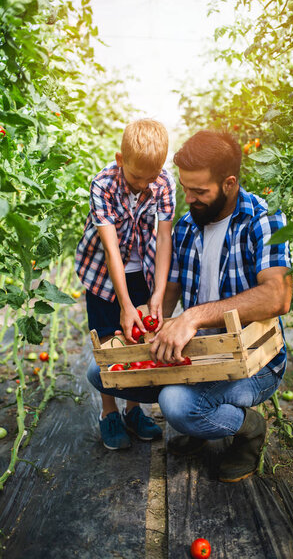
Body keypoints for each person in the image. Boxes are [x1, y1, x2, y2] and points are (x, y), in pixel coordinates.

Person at [86, 129, 292, 482]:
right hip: (199, 355)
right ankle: (201, 418)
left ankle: (249, 429)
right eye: (184, 188)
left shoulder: (262, 218)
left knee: (176, 406)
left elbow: (278, 296)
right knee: (99, 373)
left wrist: (193, 316)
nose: (189, 198)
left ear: (229, 184)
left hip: (251, 361)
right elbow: (170, 293)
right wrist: (150, 323)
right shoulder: (186, 227)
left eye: (199, 192)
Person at [76, 118, 176, 451]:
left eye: (151, 177)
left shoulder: (163, 183)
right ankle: (109, 412)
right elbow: (111, 249)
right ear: (121, 160)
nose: (143, 185)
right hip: (104, 272)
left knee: (140, 340)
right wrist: (125, 304)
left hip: (143, 269)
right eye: (136, 177)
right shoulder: (103, 184)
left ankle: (134, 409)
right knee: (108, 341)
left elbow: (164, 240)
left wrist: (158, 293)